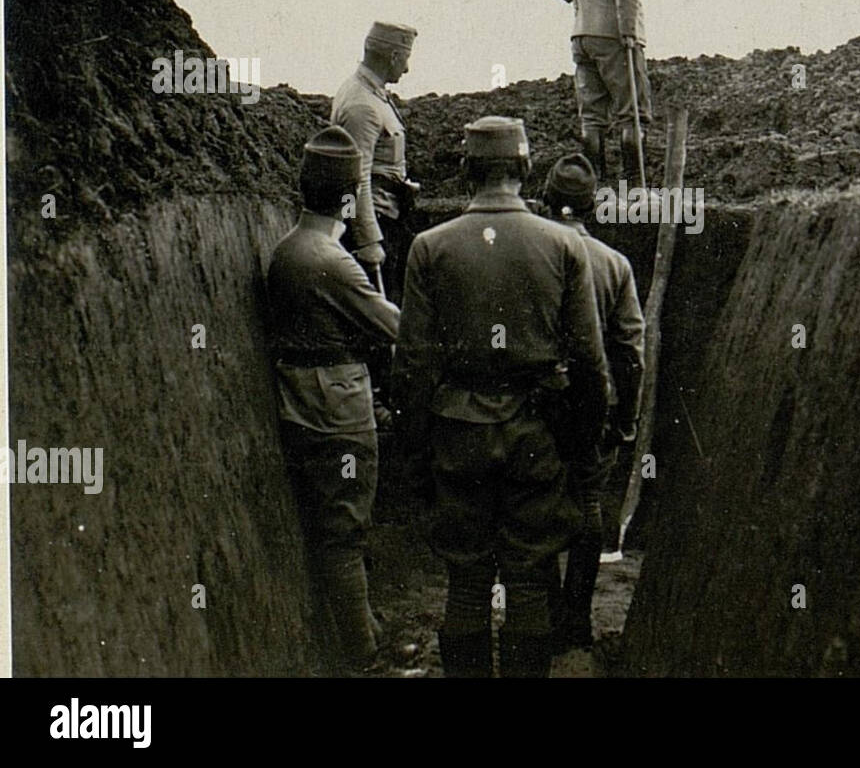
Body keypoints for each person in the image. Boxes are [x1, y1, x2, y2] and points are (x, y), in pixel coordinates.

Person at [392, 117, 611, 678]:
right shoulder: (564, 245)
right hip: (535, 435)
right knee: (528, 579)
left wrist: (414, 451)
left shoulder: (428, 248)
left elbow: (413, 363)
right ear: (524, 167)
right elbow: (590, 361)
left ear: (466, 170)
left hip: (457, 432)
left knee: (466, 583)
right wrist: (582, 446)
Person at [265, 126, 401, 671]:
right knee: (345, 531)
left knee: (334, 527)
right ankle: (362, 653)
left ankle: (364, 626)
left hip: (302, 403)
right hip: (337, 411)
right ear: (348, 198)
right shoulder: (330, 260)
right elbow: (391, 327)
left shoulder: (287, 250)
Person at [541, 154, 645, 653]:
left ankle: (540, 619)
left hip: (536, 412)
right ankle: (575, 621)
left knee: (533, 513)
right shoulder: (615, 265)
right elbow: (631, 352)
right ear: (593, 206)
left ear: (545, 199)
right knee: (587, 510)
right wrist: (625, 418)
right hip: (594, 412)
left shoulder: (530, 254)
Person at [532, 0, 652, 185]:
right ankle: (634, 191)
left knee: (592, 116)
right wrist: (627, 29)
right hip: (615, 37)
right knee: (632, 112)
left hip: (581, 37)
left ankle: (592, 190)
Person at [331, 21, 420, 305]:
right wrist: (368, 239)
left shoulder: (371, 94)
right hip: (377, 224)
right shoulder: (362, 105)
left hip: (387, 218)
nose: (406, 69)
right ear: (393, 56)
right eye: (405, 59)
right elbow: (356, 178)